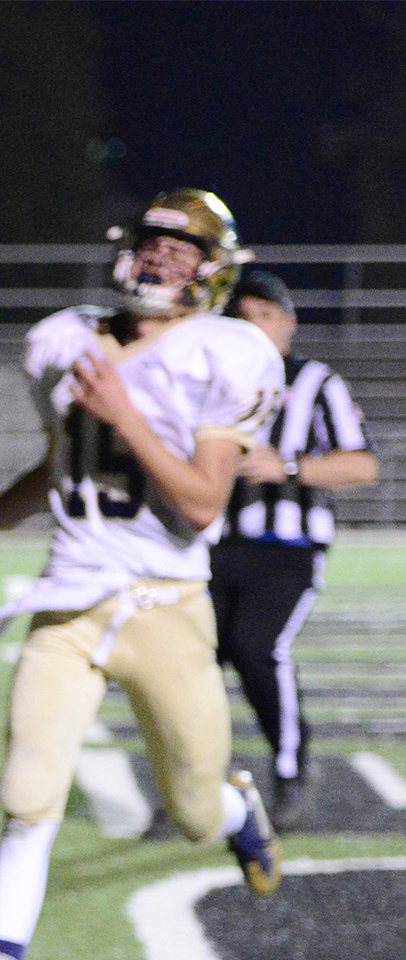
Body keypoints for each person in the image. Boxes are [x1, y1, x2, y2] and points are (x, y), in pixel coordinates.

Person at [0, 189, 286, 960]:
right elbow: (62, 467)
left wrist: (125, 415)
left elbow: (199, 503)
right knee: (27, 795)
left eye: (182, 249)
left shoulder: (227, 352)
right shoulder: (63, 340)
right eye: (151, 242)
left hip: (166, 604)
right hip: (69, 602)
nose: (159, 259)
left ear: (213, 269)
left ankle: (236, 813)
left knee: (191, 810)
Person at [213, 269, 380, 830]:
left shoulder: (314, 382)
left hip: (287, 548)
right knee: (188, 665)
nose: (252, 328)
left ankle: (291, 772)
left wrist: (287, 467)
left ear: (288, 324)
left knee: (256, 647)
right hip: (208, 546)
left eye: (264, 315)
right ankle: (188, 785)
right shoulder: (207, 380)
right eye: (241, 317)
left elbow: (362, 464)